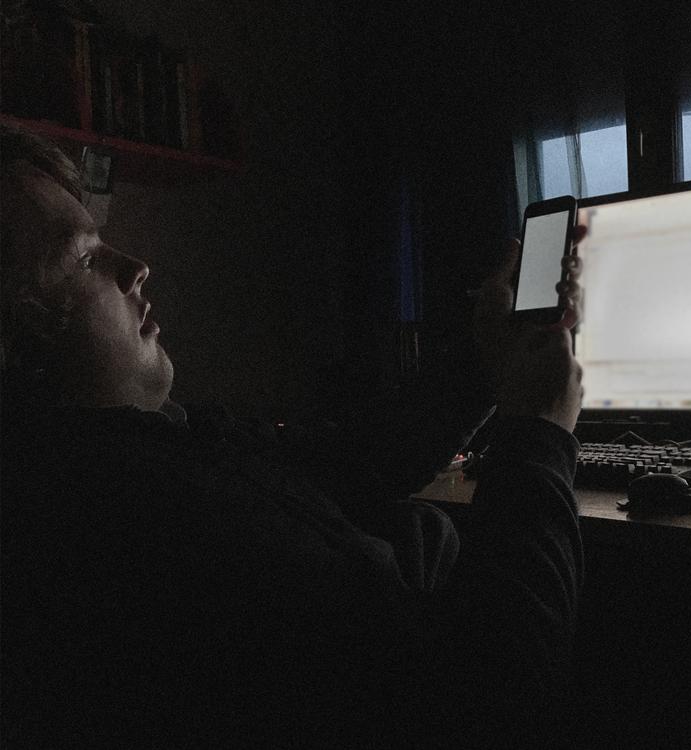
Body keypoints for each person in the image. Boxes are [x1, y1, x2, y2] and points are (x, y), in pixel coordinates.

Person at [0, 123, 587, 748]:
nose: (136, 267)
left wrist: (484, 363)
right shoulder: (132, 516)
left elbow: (346, 462)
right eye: (85, 258)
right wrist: (538, 434)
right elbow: (494, 695)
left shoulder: (161, 438)